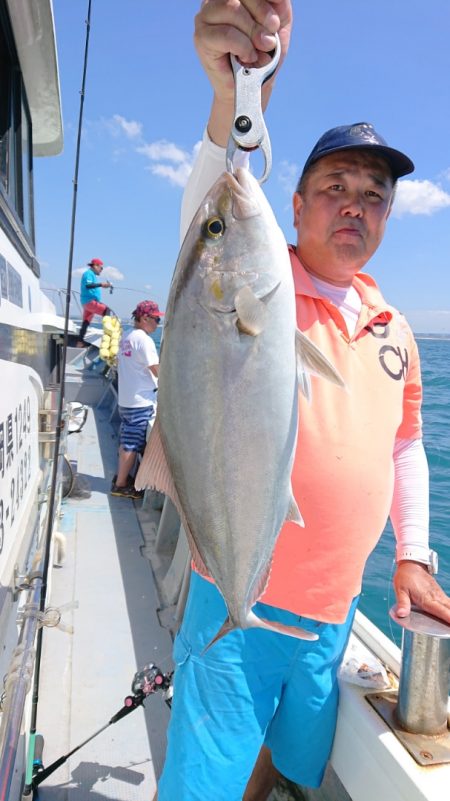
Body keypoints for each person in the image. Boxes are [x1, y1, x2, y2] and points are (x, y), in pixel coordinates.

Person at [155, 3, 450, 800]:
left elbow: (404, 447)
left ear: (389, 215)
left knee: (288, 764)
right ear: (295, 204)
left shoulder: (396, 328)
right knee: (200, 782)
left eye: (374, 193)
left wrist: (414, 555)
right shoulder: (259, 277)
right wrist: (237, 94)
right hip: (236, 590)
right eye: (334, 187)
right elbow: (213, 205)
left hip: (330, 613)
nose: (355, 203)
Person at [111, 300, 162, 498]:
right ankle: (121, 484)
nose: (158, 323)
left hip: (126, 401)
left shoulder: (127, 337)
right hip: (140, 403)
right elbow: (156, 370)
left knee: (127, 440)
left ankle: (122, 478)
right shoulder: (144, 340)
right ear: (144, 318)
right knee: (131, 443)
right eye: (156, 319)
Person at [77, 257, 112, 345]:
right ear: (96, 266)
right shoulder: (88, 273)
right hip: (90, 301)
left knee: (86, 322)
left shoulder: (92, 275)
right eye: (101, 268)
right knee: (106, 311)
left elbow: (92, 285)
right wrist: (101, 284)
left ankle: (80, 342)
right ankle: (108, 336)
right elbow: (88, 285)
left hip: (87, 302)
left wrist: (102, 285)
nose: (101, 270)